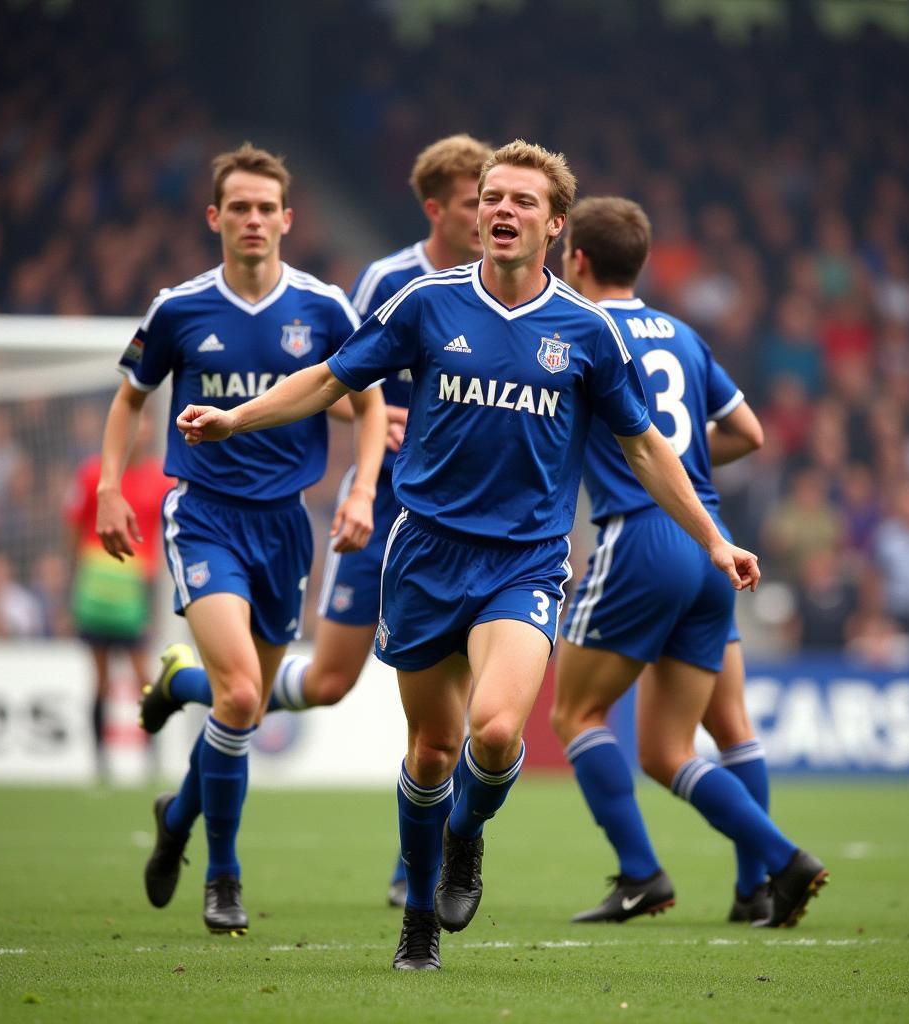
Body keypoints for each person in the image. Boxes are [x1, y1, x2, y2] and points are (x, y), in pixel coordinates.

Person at [174, 140, 760, 971]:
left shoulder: (585, 330)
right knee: (431, 752)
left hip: (525, 562)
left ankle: (465, 838)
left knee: (493, 734)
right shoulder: (426, 304)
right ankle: (418, 915)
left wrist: (713, 537)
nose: (502, 211)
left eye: (523, 201)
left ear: (556, 227)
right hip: (424, 556)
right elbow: (330, 380)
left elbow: (648, 449)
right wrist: (237, 418)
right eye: (492, 197)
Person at [137, 133, 493, 907]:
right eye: (475, 201)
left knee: (436, 700)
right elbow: (335, 384)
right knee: (325, 682)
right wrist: (371, 460)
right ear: (438, 207)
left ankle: (414, 868)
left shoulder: (506, 293)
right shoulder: (385, 281)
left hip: (461, 528)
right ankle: (195, 715)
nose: (487, 214)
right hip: (374, 512)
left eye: (497, 201)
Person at [96, 142, 387, 936]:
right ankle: (222, 876)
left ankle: (176, 795)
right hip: (205, 514)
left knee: (239, 711)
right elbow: (130, 399)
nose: (254, 219)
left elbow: (363, 402)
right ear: (215, 217)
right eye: (240, 207)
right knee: (244, 698)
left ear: (288, 219)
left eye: (268, 208)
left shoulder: (325, 308)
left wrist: (361, 488)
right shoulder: (179, 308)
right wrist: (111, 488)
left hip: (286, 525)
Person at [549, 196, 827, 930]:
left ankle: (647, 874)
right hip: (711, 541)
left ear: (576, 257)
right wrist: (685, 460)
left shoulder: (578, 328)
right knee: (700, 736)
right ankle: (757, 887)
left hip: (641, 536)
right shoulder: (680, 332)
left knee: (574, 712)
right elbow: (749, 432)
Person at [65, 412, 171, 781]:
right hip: (97, 585)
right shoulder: (94, 475)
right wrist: (73, 582)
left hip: (136, 588)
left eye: (144, 427)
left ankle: (151, 756)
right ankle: (99, 762)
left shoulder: (160, 478)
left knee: (144, 676)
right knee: (101, 680)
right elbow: (75, 525)